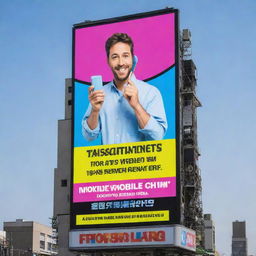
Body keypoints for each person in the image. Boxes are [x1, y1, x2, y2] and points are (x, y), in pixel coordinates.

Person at [82, 33, 167, 145]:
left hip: (141, 162)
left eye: (125, 56)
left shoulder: (151, 93)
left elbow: (157, 136)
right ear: (108, 61)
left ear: (132, 59)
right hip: (108, 162)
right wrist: (95, 110)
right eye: (115, 57)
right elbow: (89, 136)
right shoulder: (100, 94)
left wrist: (136, 106)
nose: (121, 63)